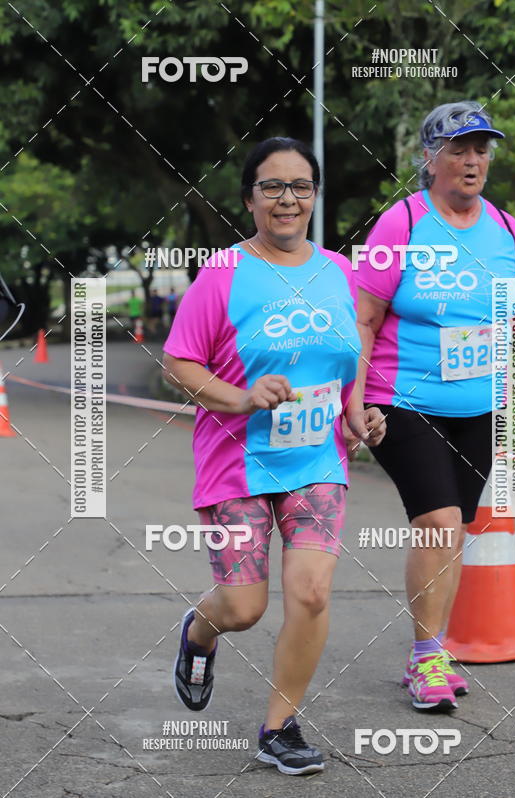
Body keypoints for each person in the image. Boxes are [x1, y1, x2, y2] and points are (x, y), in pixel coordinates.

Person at [162, 137, 385, 774]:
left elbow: (350, 357)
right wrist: (240, 396)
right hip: (236, 462)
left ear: (315, 196)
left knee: (311, 594)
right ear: (249, 199)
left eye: (301, 186)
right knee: (244, 607)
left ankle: (279, 729)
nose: (288, 199)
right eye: (272, 187)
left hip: (316, 461)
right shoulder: (225, 272)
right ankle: (201, 631)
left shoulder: (340, 272)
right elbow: (180, 359)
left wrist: (356, 412)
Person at [353, 101, 515, 712]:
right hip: (402, 400)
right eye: (459, 148)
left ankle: (434, 648)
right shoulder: (400, 223)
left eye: (482, 148)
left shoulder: (505, 229)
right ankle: (426, 656)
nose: (473, 160)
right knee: (439, 522)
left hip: (481, 405)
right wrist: (354, 400)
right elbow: (363, 319)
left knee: (455, 530)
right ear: (430, 158)